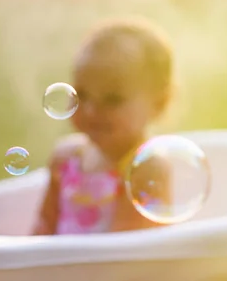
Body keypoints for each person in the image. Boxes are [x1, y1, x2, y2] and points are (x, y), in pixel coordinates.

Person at [34, 16, 174, 235]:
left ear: (158, 104)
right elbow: (43, 227)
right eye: (82, 94)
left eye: (112, 99)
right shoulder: (64, 159)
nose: (91, 110)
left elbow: (122, 250)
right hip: (61, 269)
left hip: (116, 269)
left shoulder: (145, 169)